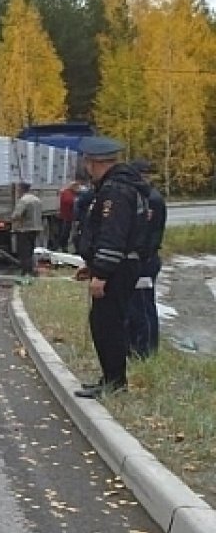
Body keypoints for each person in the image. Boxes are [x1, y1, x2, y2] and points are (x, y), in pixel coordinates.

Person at [72, 137, 150, 399]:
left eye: (88, 162)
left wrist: (102, 273)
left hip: (118, 268)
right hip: (118, 265)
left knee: (108, 323)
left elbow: (113, 235)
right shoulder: (117, 186)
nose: (86, 167)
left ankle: (115, 383)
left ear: (96, 163)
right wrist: (92, 266)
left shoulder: (115, 191)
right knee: (104, 321)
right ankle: (111, 378)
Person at [126, 159, 167, 359]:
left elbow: (150, 235)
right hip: (138, 260)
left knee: (144, 306)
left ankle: (147, 350)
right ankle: (134, 346)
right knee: (133, 307)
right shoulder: (141, 197)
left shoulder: (153, 199)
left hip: (146, 261)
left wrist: (142, 257)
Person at [10, 181, 43, 279]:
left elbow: (17, 215)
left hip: (24, 229)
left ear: (21, 189)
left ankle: (26, 271)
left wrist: (12, 218)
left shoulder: (23, 200)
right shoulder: (36, 199)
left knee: (24, 252)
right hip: (36, 227)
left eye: (19, 189)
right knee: (30, 250)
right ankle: (32, 269)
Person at [57, 179, 80, 252]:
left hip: (69, 216)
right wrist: (76, 200)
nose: (78, 189)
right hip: (66, 216)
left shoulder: (71, 193)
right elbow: (68, 201)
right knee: (65, 232)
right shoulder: (68, 193)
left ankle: (64, 246)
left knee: (66, 232)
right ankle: (63, 246)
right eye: (76, 187)